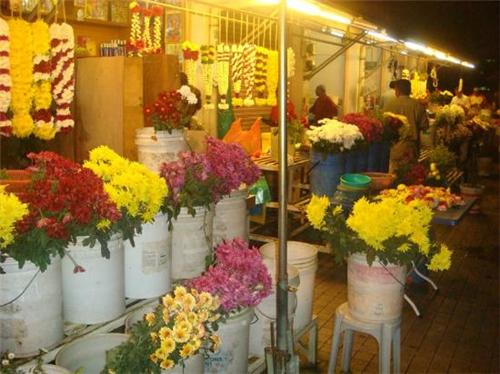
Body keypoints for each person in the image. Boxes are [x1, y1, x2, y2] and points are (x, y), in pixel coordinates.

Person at [383, 79, 429, 168]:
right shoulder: (418, 105)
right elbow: (425, 126)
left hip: (396, 146)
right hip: (412, 147)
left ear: (397, 90)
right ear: (409, 90)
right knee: (410, 175)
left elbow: (384, 125)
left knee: (395, 174)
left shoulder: (390, 104)